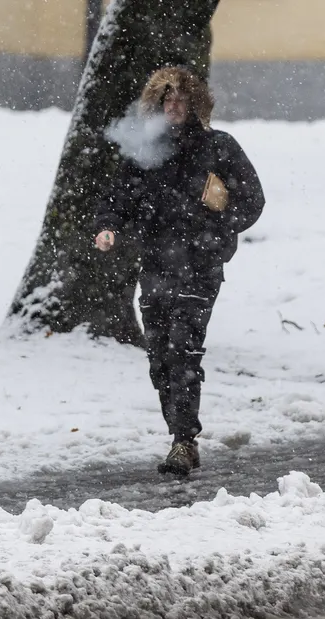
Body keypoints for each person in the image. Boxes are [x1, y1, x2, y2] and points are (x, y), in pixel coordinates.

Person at [94, 66, 266, 477]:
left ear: (194, 106)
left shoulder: (219, 147)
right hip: (155, 263)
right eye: (166, 101)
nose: (173, 108)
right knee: (158, 355)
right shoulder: (144, 149)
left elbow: (252, 200)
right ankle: (179, 431)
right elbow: (118, 197)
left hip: (200, 265)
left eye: (181, 101)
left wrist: (219, 222)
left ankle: (183, 442)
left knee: (183, 348)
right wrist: (107, 227)